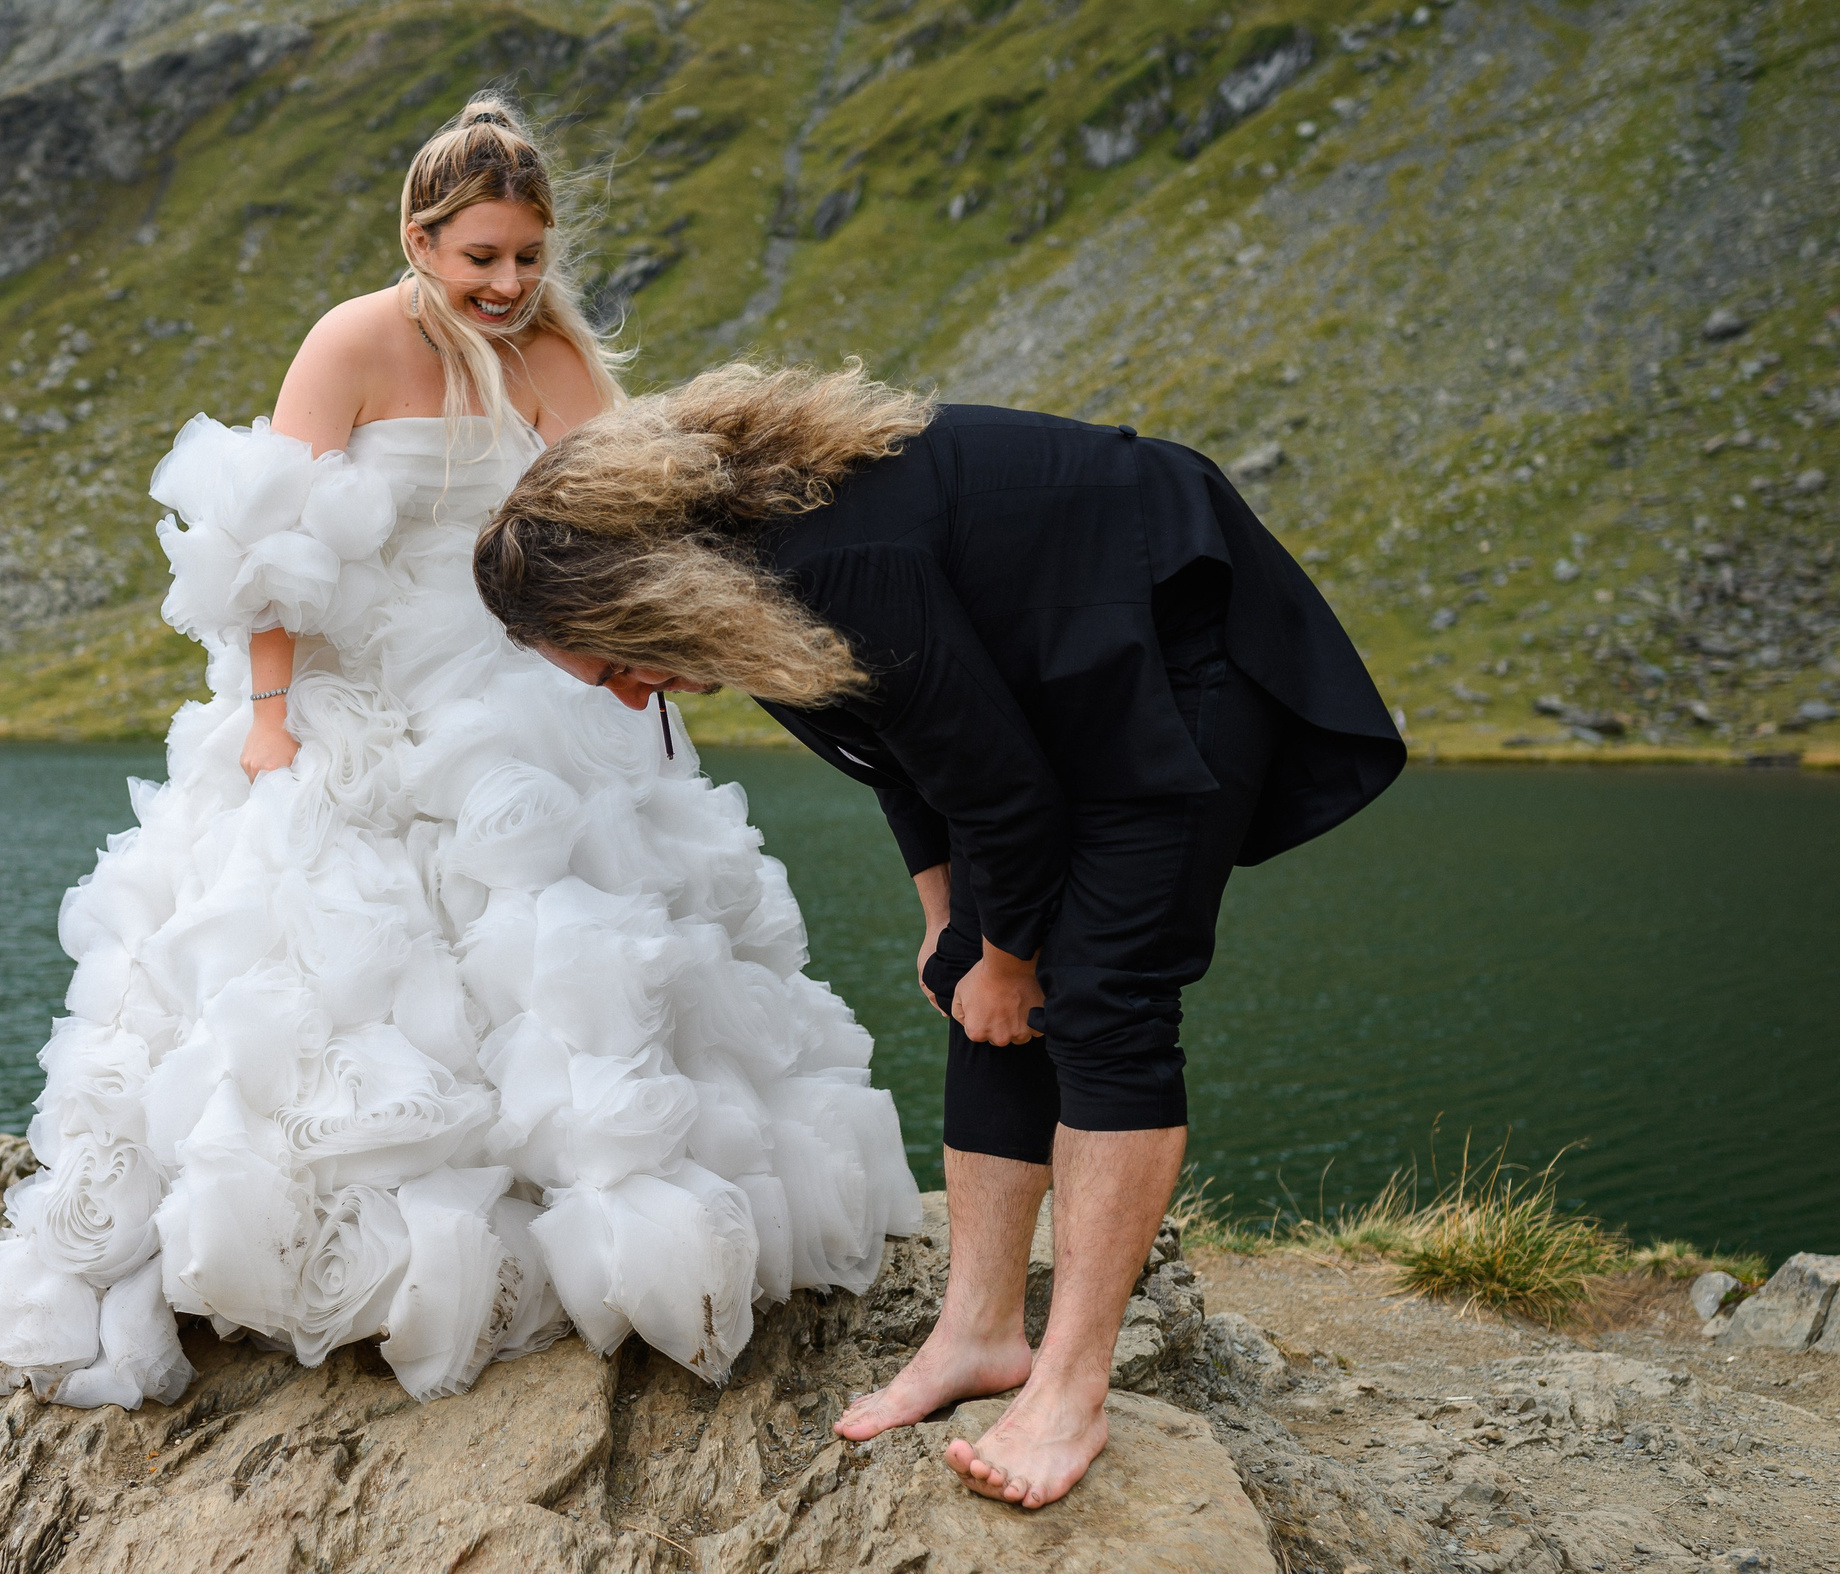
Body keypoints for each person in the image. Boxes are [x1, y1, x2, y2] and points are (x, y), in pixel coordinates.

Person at [0, 105, 921, 1412]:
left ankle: (602, 1219)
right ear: (421, 239)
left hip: (539, 690)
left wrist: (662, 678)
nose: (509, 285)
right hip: (362, 695)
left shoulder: (561, 353)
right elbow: (271, 549)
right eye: (481, 259)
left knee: (583, 958)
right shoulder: (354, 342)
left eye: (527, 254)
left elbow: (628, 527)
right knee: (331, 971)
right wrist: (273, 716)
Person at [473, 364, 1404, 1506]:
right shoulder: (732, 588)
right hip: (1043, 666)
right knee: (981, 974)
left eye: (621, 661)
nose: (629, 695)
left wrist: (1008, 954)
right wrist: (949, 925)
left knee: (1105, 991)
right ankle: (979, 1334)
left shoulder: (831, 564)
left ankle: (1070, 1385)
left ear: (652, 585)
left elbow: (1004, 791)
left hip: (1172, 637)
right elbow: (901, 749)